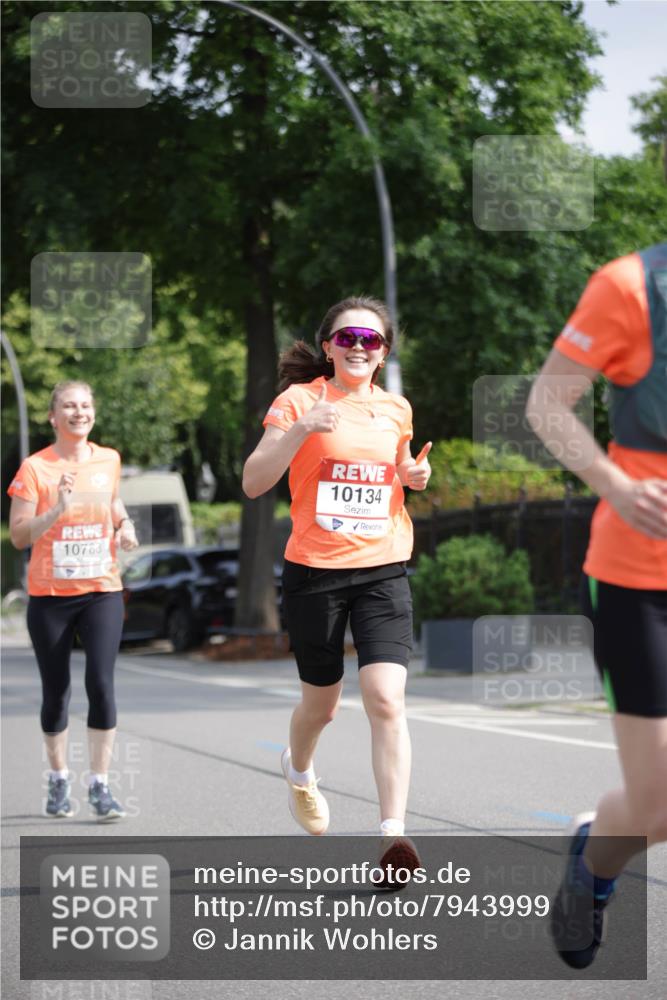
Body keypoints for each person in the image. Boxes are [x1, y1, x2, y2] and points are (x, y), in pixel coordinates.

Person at [242, 296, 431, 872]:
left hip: (383, 567)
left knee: (385, 698)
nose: (357, 346)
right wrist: (300, 428)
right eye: (347, 337)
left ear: (382, 353)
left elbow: (399, 470)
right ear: (328, 347)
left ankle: (392, 836)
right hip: (315, 572)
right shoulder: (299, 400)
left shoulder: (396, 408)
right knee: (321, 707)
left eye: (370, 340)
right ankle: (299, 769)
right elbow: (254, 482)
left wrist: (412, 475)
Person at [527, 238, 667, 968]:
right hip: (640, 578)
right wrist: (616, 486)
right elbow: (545, 403)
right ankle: (593, 865)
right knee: (657, 807)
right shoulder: (628, 288)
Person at [8, 381, 139, 821]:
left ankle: (100, 784)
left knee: (101, 684)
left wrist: (124, 524)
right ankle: (59, 775)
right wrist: (56, 511)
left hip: (101, 589)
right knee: (57, 692)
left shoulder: (108, 459)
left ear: (93, 413)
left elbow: (113, 500)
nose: (78, 412)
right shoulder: (35, 469)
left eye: (85, 405)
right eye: (69, 406)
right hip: (51, 596)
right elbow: (19, 535)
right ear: (53, 416)